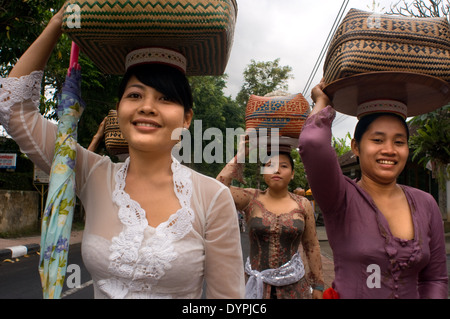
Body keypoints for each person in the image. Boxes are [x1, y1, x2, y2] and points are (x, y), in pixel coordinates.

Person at [0, 7, 245, 299]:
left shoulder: (213, 197)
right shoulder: (90, 173)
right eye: (135, 95)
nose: (147, 106)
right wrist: (57, 23)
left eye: (165, 98)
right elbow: (12, 110)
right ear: (119, 110)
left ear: (187, 118)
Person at [298, 80, 448, 299]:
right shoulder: (339, 197)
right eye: (377, 140)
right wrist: (322, 101)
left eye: (399, 142)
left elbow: (435, 279)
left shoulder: (426, 203)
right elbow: (312, 144)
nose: (389, 150)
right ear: (356, 147)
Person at [216, 140, 324, 299]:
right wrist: (240, 155)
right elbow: (218, 188)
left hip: (295, 288)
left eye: (284, 166)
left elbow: (311, 245)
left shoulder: (303, 204)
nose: (277, 170)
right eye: (269, 165)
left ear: (293, 174)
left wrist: (318, 285)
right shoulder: (250, 198)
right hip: (258, 288)